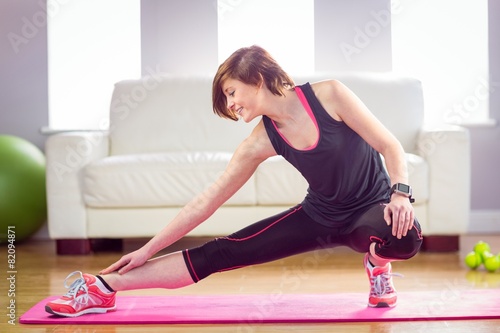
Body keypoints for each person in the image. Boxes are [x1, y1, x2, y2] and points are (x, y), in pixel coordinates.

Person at [45, 45, 423, 317]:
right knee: (224, 251)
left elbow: (388, 143)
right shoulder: (260, 140)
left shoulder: (330, 95)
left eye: (231, 93)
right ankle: (103, 288)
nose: (230, 105)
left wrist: (401, 194)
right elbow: (208, 200)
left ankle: (378, 267)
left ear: (256, 78)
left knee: (404, 235)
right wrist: (147, 249)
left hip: (373, 208)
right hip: (320, 216)